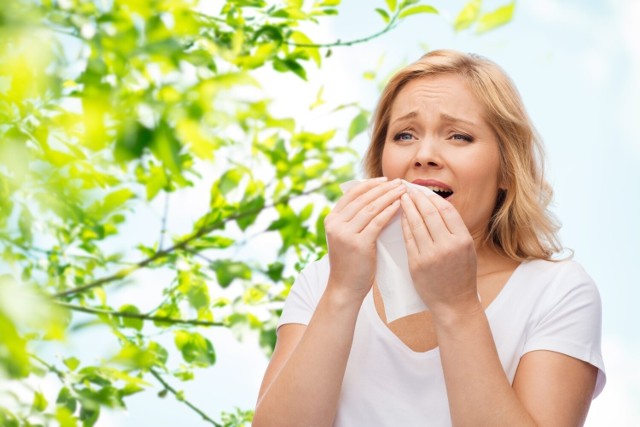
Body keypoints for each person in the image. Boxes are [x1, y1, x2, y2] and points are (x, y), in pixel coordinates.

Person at [253, 49, 606, 426]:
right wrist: (342, 291)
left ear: (507, 169)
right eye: (404, 135)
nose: (424, 155)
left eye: (459, 136)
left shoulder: (558, 291)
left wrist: (456, 305)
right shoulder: (324, 280)